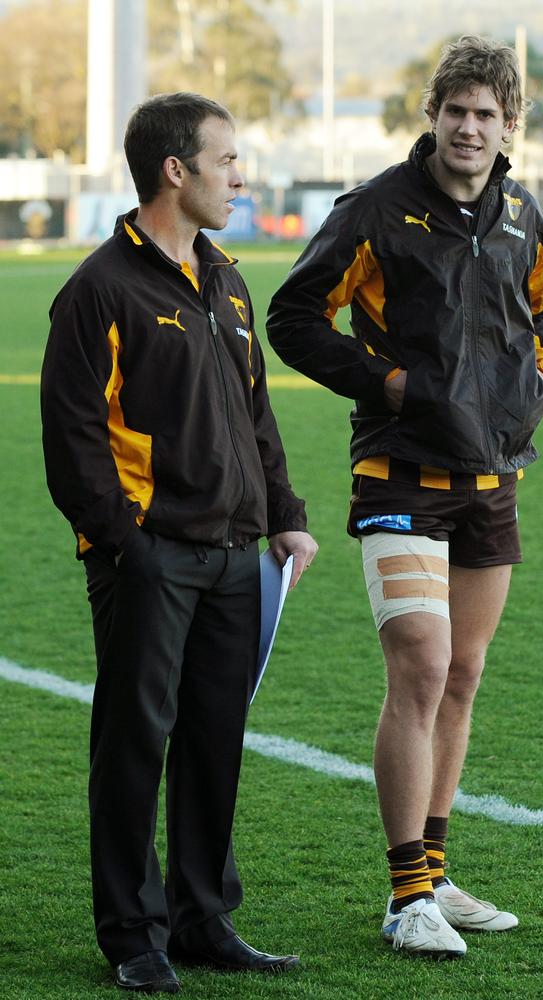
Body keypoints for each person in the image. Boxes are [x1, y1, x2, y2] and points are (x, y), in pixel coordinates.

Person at [267, 35, 543, 959]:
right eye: (454, 111)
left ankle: (436, 876)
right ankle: (404, 897)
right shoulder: (377, 210)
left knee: (464, 677)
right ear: (431, 116)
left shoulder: (521, 215)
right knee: (422, 667)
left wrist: (537, 380)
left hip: (492, 477)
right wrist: (387, 386)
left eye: (485, 114)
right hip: (399, 468)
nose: (468, 127)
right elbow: (293, 316)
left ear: (508, 125)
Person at [41, 92, 318, 993]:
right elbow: (73, 440)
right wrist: (127, 545)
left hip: (240, 556)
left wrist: (286, 513)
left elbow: (255, 415)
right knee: (134, 744)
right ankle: (132, 936)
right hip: (151, 560)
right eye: (227, 160)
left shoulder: (228, 279)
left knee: (213, 740)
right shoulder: (98, 291)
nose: (241, 177)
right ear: (176, 170)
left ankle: (203, 919)